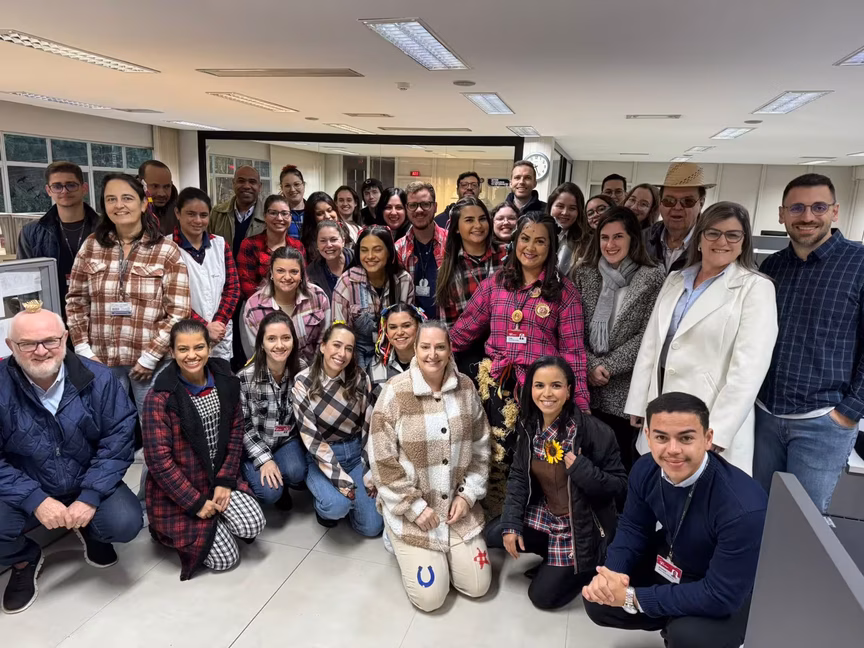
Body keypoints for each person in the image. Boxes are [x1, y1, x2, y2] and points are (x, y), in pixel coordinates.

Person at [582, 392, 767, 648]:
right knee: (599, 599)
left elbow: (720, 595)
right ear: (648, 436)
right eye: (661, 437)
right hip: (673, 561)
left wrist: (633, 598)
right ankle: (673, 613)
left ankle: (683, 622)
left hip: (724, 585)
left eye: (686, 438)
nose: (673, 450)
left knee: (687, 637)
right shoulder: (646, 469)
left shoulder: (744, 507)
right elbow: (634, 527)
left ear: (708, 438)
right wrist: (612, 576)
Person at [0, 304, 142, 614]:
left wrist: (90, 496)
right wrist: (35, 499)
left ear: (65, 338)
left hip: (85, 478)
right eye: (27, 344)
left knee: (126, 522)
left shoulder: (99, 378)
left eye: (50, 340)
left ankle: (93, 530)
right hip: (26, 483)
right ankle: (23, 558)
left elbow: (118, 440)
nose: (41, 351)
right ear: (11, 346)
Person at [450, 213, 591, 515]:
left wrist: (581, 408)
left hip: (540, 393)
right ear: (515, 241)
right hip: (494, 387)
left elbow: (574, 354)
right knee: (490, 455)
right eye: (525, 239)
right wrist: (430, 354)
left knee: (530, 461)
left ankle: (523, 520)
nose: (531, 247)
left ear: (551, 248)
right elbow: (463, 331)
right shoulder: (495, 284)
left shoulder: (564, 293)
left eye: (540, 241)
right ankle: (492, 516)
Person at [626, 202, 778, 475]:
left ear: (743, 242)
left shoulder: (756, 288)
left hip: (709, 416)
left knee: (700, 494)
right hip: (662, 406)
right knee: (659, 488)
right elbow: (652, 345)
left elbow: (749, 370)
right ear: (699, 239)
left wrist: (718, 429)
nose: (722, 241)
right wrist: (638, 401)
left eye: (733, 235)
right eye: (713, 233)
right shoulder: (676, 279)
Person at [755, 173, 864, 513]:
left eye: (818, 207)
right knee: (756, 513)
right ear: (781, 214)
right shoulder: (772, 267)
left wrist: (848, 413)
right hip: (764, 416)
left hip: (822, 422)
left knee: (802, 524)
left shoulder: (859, 264)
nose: (807, 216)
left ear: (835, 211)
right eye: (796, 208)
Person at [487, 356, 627, 610]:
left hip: (580, 526)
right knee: (497, 532)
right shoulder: (529, 426)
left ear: (569, 390)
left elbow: (619, 487)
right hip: (548, 513)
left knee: (542, 598)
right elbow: (519, 476)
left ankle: (585, 567)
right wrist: (512, 523)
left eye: (556, 385)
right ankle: (550, 554)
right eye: (539, 385)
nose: (547, 393)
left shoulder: (595, 432)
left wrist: (584, 471)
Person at [370, 321, 491, 612]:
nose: (432, 354)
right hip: (413, 510)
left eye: (440, 347)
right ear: (415, 349)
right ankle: (396, 536)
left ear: (450, 350)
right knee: (431, 599)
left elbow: (481, 446)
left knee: (478, 586)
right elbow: (381, 458)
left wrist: (468, 495)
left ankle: (448, 552)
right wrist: (412, 507)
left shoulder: (466, 387)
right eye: (425, 347)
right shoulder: (395, 391)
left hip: (455, 508)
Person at [143, 320, 265, 580]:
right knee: (225, 561)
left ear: (209, 348)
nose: (192, 355)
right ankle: (164, 532)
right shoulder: (159, 397)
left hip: (217, 478)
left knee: (253, 524)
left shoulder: (225, 380)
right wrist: (195, 502)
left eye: (199, 347)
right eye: (183, 349)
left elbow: (236, 432)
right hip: (181, 489)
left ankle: (219, 521)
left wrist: (225, 480)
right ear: (172, 352)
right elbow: (158, 461)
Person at [66, 173, 190, 414]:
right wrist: (83, 350)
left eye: (127, 198)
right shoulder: (91, 246)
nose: (119, 205)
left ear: (143, 204)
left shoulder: (166, 250)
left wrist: (151, 357)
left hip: (151, 361)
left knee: (154, 424)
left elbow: (179, 311)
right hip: (101, 359)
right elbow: (75, 301)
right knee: (111, 423)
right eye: (111, 199)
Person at [571, 208, 665, 471]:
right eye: (604, 237)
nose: (610, 244)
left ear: (632, 238)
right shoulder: (584, 272)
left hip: (625, 389)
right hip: (585, 386)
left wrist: (609, 366)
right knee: (583, 464)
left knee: (618, 465)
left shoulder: (652, 276)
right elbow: (571, 327)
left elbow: (649, 334)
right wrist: (590, 365)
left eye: (618, 237)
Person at [292, 323, 383, 535]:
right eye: (336, 345)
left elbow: (368, 427)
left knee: (371, 528)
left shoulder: (360, 377)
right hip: (321, 457)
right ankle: (328, 506)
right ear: (323, 346)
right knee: (336, 506)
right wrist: (341, 480)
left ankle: (351, 502)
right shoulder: (303, 382)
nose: (342, 354)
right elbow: (312, 439)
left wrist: (369, 470)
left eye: (349, 348)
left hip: (356, 454)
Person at [238, 311, 307, 510]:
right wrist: (264, 460)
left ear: (293, 341)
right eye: (271, 339)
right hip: (254, 444)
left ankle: (282, 476)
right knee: (270, 493)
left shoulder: (301, 369)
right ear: (261, 343)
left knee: (297, 472)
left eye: (286, 338)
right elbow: (243, 425)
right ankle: (251, 478)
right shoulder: (245, 378)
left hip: (285, 439)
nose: (279, 345)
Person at [17, 161, 98, 321]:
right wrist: (34, 320)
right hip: (52, 317)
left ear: (84, 188)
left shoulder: (105, 229)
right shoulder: (31, 233)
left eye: (71, 185)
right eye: (57, 186)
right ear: (49, 190)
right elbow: (26, 284)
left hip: (98, 316)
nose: (64, 191)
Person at [332, 226, 415, 369]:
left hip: (396, 349)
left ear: (389, 252)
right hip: (357, 353)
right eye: (364, 250)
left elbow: (410, 326)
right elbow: (339, 331)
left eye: (377, 249)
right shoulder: (347, 282)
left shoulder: (403, 280)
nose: (370, 256)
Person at [172, 187, 240, 361]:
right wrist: (203, 327)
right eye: (191, 214)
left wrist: (219, 323)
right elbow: (168, 298)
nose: (198, 220)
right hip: (184, 332)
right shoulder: (167, 247)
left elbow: (233, 288)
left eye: (203, 215)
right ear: (178, 213)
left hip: (220, 333)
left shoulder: (220, 244)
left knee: (220, 375)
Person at [242, 246, 330, 366]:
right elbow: (258, 352)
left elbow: (325, 341)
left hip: (314, 369)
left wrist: (312, 373)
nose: (287, 277)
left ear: (302, 275)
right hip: (272, 371)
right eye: (280, 271)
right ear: (271, 273)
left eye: (294, 272)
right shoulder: (254, 307)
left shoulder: (318, 297)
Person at [436, 197, 507, 326]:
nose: (478, 225)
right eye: (469, 220)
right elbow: (448, 325)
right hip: (466, 338)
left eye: (482, 219)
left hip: (506, 335)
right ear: (456, 228)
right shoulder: (448, 270)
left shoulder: (506, 255)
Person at [645, 162, 713, 274]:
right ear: (660, 203)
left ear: (701, 204)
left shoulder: (713, 245)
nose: (677, 207)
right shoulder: (643, 239)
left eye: (687, 201)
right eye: (669, 201)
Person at [236, 194, 306, 300]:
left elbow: (303, 279)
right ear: (264, 216)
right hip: (258, 305)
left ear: (290, 217)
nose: (279, 218)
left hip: (293, 303)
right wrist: (271, 304)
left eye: (284, 213)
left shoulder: (297, 246)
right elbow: (247, 286)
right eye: (273, 213)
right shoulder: (250, 245)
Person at [395, 181, 448, 319]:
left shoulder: (451, 243)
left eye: (425, 204)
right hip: (412, 326)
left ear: (435, 207)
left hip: (446, 325)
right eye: (413, 205)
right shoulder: (398, 249)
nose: (419, 210)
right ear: (406, 209)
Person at [369, 303, 424, 402]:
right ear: (386, 331)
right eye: (393, 327)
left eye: (406, 326)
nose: (399, 332)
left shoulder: (432, 361)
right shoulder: (376, 365)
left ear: (418, 327)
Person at [209, 165, 266, 259]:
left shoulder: (268, 216)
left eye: (252, 182)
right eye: (241, 181)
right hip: (223, 268)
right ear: (233, 183)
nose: (246, 186)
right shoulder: (217, 213)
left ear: (260, 186)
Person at [549, 182, 591, 275]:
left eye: (572, 208)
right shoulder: (537, 233)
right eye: (560, 206)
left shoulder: (587, 243)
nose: (565, 212)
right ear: (550, 206)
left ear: (579, 212)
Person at [307, 220, 354, 301]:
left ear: (343, 241)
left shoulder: (358, 259)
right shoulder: (311, 272)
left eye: (333, 239)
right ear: (317, 244)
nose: (328, 245)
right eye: (323, 241)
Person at [300, 191, 349, 258]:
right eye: (320, 214)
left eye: (330, 210)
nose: (327, 216)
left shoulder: (348, 231)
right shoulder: (305, 245)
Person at [138, 160, 178, 235]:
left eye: (167, 186)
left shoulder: (178, 210)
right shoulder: (126, 210)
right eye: (155, 186)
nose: (161, 194)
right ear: (141, 184)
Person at [278, 165, 306, 239]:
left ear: (303, 185)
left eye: (296, 184)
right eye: (287, 186)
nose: (292, 189)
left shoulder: (313, 211)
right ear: (282, 188)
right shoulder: (278, 214)